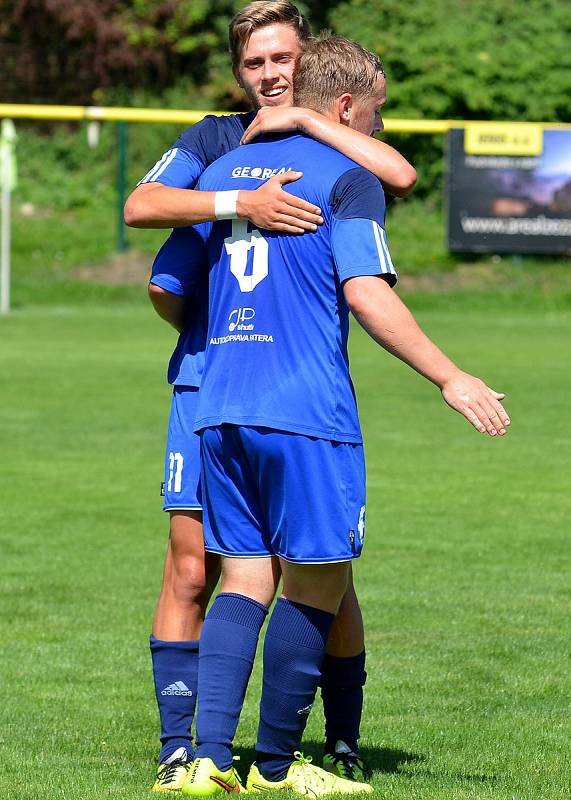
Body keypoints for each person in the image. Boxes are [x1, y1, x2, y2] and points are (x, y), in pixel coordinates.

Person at [177, 34, 510, 798]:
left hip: (221, 404)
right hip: (305, 411)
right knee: (318, 582)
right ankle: (273, 766)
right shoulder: (345, 174)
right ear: (347, 107)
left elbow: (175, 285)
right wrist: (449, 375)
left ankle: (207, 762)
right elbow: (365, 292)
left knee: (245, 577)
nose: (381, 131)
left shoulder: (225, 171)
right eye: (379, 114)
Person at [124, 2, 417, 793]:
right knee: (200, 567)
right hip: (217, 382)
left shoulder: (325, 140)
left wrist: (316, 126)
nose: (270, 75)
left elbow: (395, 170)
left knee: (315, 571)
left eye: (283, 59)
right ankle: (189, 750)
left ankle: (332, 746)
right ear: (237, 72)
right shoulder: (216, 141)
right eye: (254, 64)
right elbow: (144, 217)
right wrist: (237, 211)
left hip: (255, 390)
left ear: (306, 61)